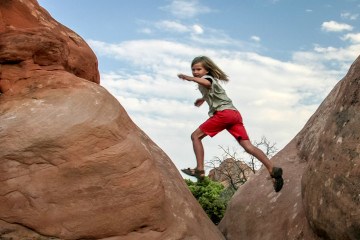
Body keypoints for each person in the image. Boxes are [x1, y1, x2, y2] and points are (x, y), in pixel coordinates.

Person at [178, 56, 283, 192]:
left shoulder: (208, 79)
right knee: (248, 146)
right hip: (234, 115)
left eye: (198, 69)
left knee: (195, 136)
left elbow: (207, 83)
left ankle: (199, 169)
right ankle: (272, 169)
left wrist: (190, 78)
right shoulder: (208, 81)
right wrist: (203, 99)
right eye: (193, 70)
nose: (195, 72)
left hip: (224, 114)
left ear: (207, 70)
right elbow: (213, 91)